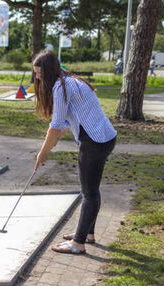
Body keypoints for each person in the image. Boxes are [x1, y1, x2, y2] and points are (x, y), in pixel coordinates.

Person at [32, 51, 117, 254]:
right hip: (105, 137)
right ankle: (87, 234)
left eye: (39, 74)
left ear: (49, 71)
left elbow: (55, 125)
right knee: (91, 190)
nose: (37, 77)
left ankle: (78, 244)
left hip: (94, 141)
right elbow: (67, 122)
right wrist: (51, 144)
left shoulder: (60, 88)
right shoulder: (71, 81)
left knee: (89, 193)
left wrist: (43, 153)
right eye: (35, 73)